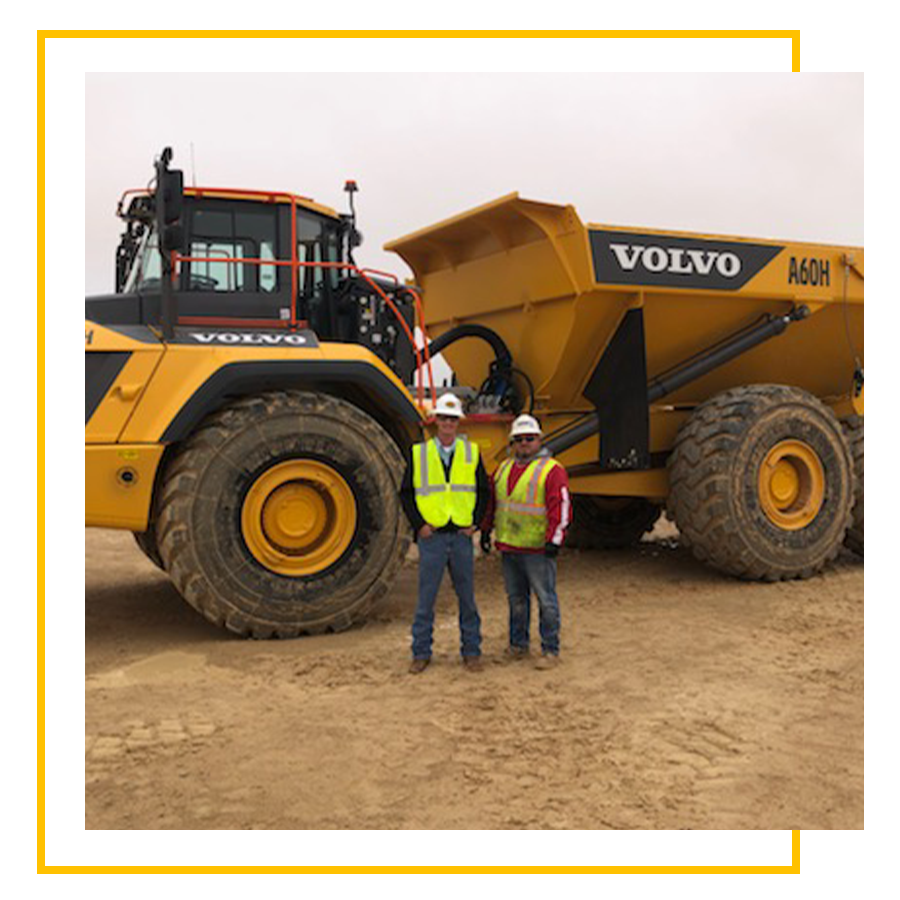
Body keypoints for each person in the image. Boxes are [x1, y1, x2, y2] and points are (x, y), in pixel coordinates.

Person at [399, 392, 491, 674]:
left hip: (462, 537)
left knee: (467, 599)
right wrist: (419, 526)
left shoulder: (470, 453)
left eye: (452, 418)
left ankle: (472, 653)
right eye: (444, 418)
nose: (448, 423)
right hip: (433, 537)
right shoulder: (420, 453)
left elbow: (484, 491)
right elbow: (406, 493)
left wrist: (475, 523)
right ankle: (421, 653)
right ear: (436, 421)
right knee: (426, 599)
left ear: (458, 422)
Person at [481, 414, 571, 669]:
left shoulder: (551, 470)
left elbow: (560, 507)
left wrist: (554, 540)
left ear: (539, 440)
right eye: (518, 440)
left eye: (529, 439)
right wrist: (487, 531)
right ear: (512, 443)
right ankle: (518, 645)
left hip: (537, 550)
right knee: (516, 599)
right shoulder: (503, 469)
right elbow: (493, 503)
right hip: (510, 547)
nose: (524, 444)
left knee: (546, 599)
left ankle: (550, 650)